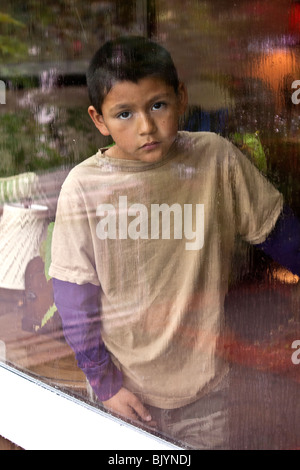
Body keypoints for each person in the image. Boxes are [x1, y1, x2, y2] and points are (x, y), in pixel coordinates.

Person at [49, 36, 300, 449]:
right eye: (124, 114)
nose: (145, 126)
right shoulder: (84, 186)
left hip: (206, 390)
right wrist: (105, 383)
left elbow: (281, 234)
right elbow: (75, 295)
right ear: (99, 119)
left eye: (158, 106)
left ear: (181, 98)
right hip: (123, 388)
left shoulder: (215, 160)